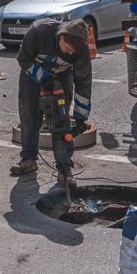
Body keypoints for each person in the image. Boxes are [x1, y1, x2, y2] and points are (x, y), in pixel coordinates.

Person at [11, 18, 93, 187]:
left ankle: (64, 168)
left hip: (63, 76)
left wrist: (80, 117)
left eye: (73, 52)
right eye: (68, 49)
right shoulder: (39, 31)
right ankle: (28, 160)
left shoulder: (80, 50)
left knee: (60, 119)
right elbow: (23, 59)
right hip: (31, 73)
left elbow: (83, 82)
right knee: (29, 116)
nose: (70, 54)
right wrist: (45, 79)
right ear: (61, 37)